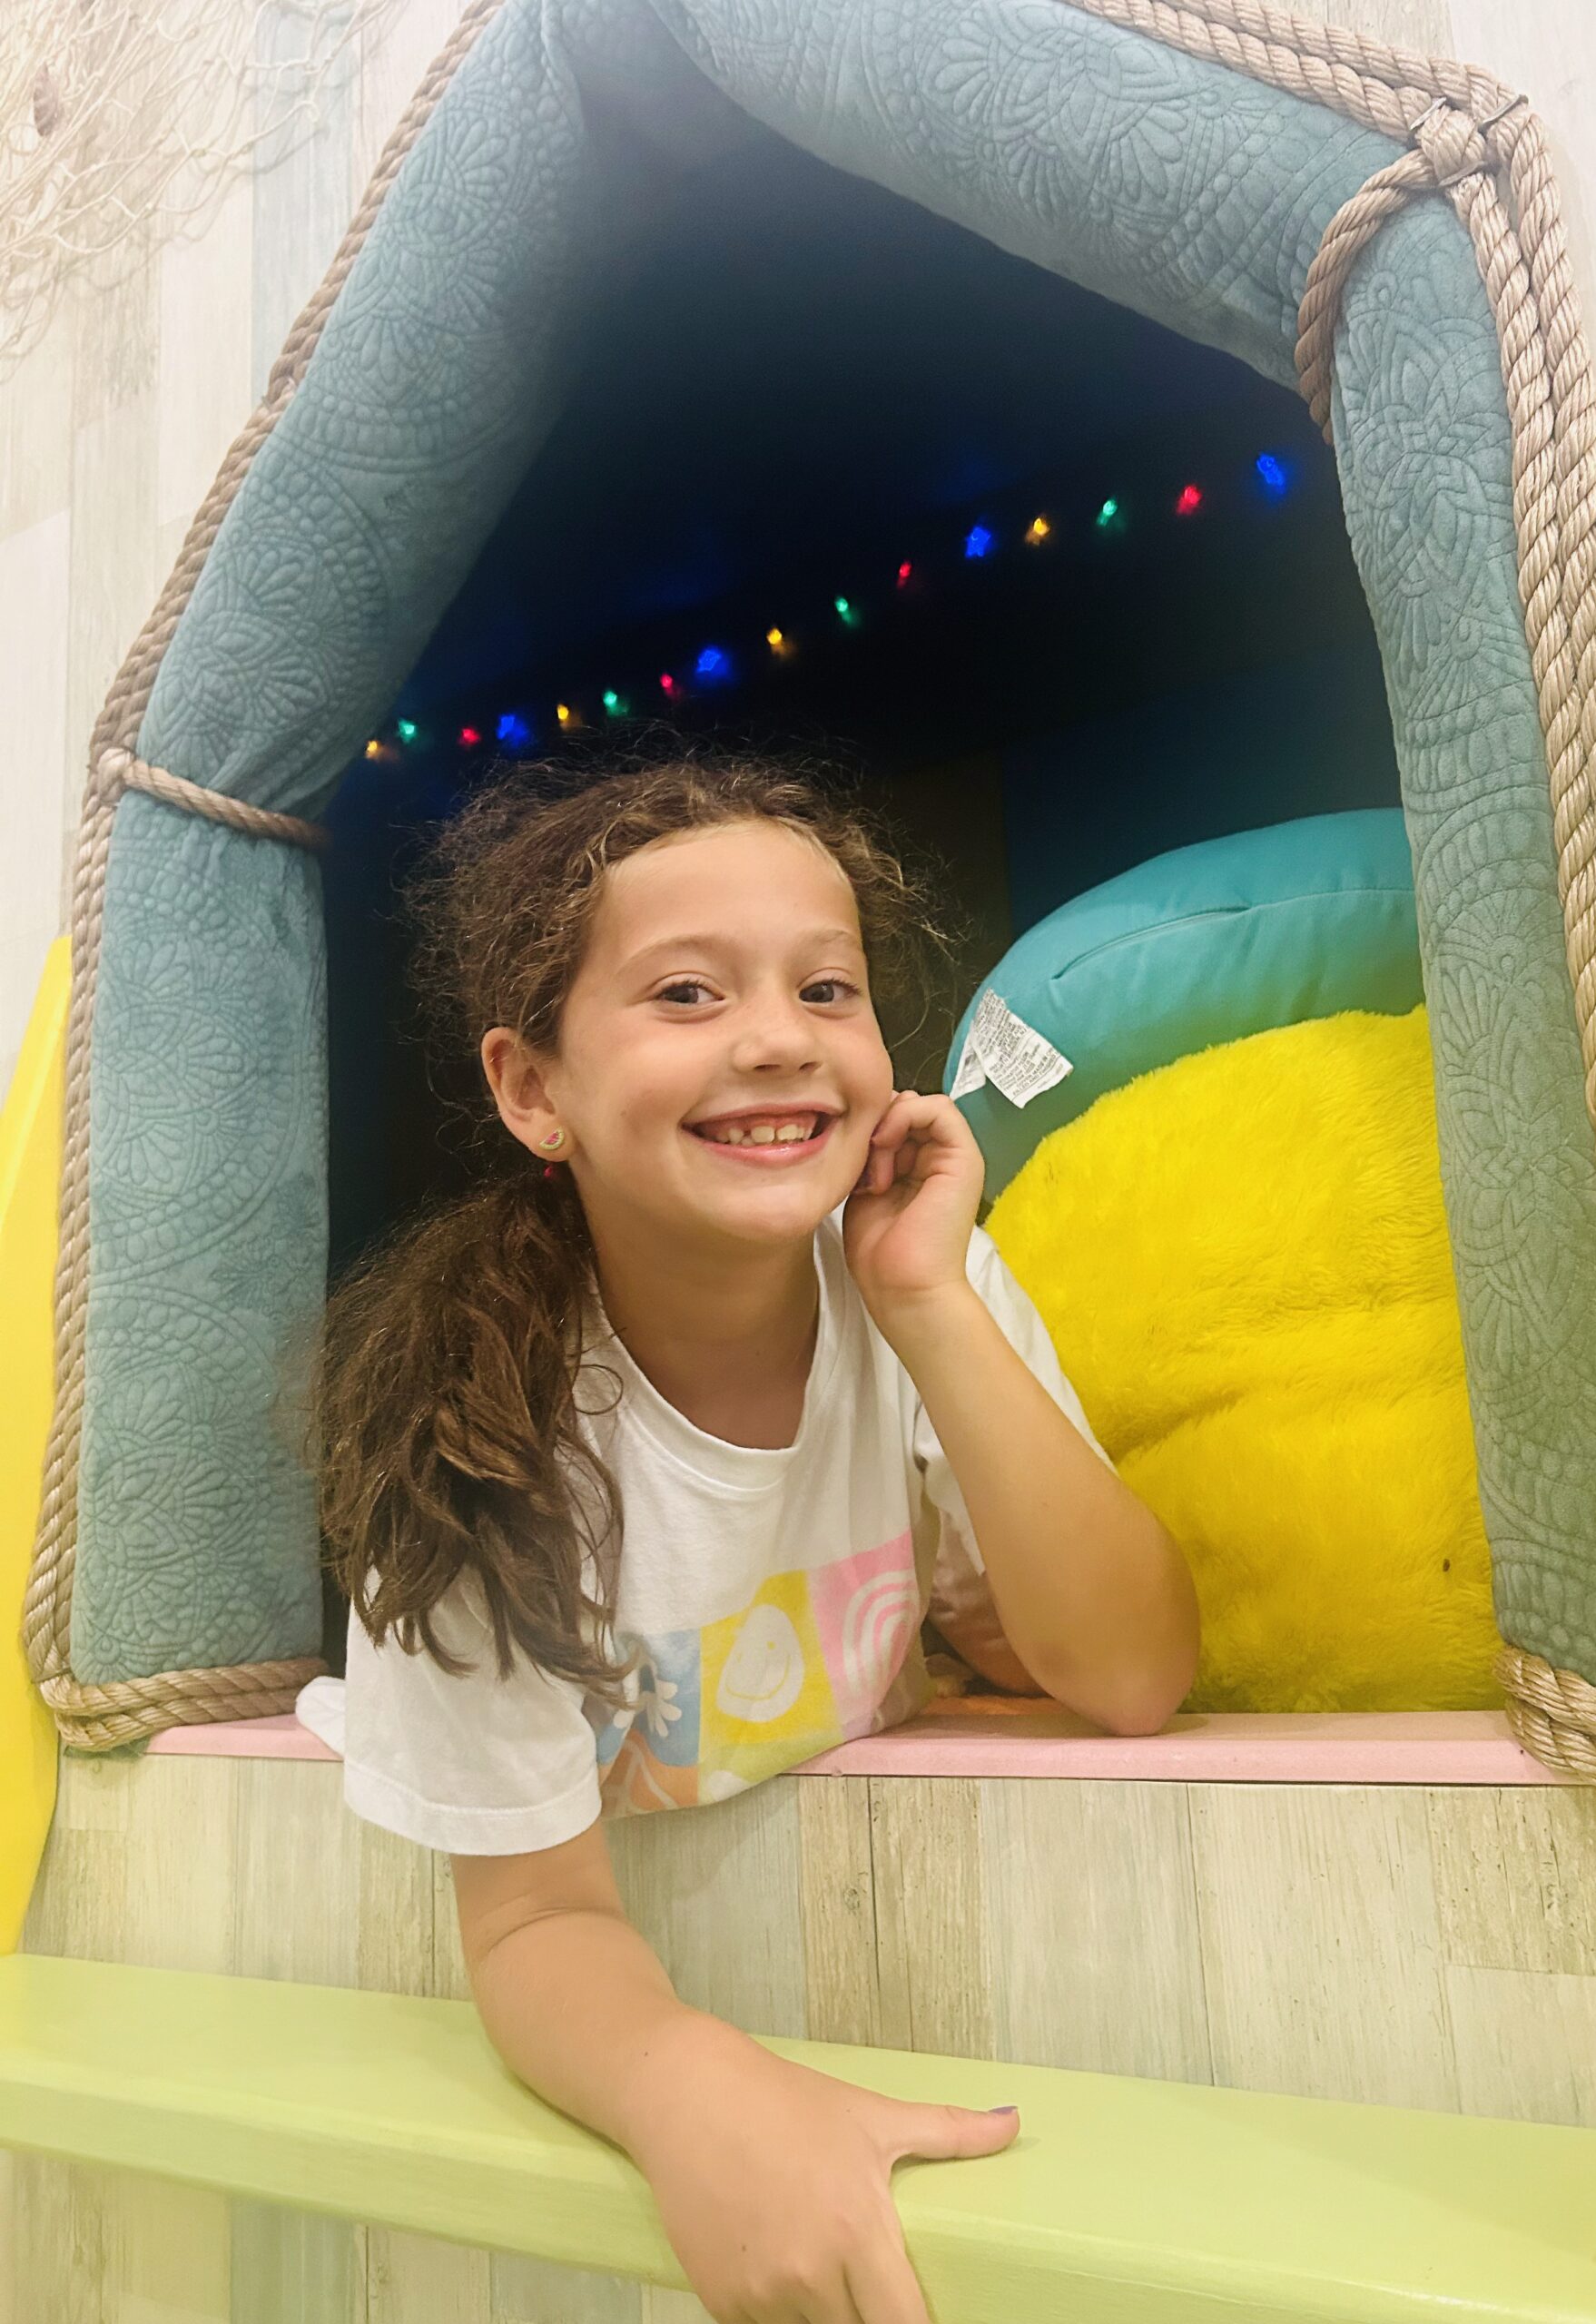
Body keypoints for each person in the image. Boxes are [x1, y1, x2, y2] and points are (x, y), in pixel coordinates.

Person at [315, 755, 1198, 2324]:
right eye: (685, 993)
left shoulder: (925, 1285)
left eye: (827, 988)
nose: (781, 1037)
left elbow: (1131, 1675)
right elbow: (531, 1918)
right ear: (533, 1090)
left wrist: (927, 1300)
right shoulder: (473, 1436)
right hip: (522, 1931)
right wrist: (688, 2092)